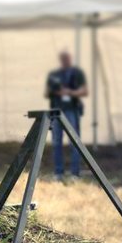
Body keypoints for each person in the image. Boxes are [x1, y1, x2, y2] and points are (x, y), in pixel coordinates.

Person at [45, 50, 88, 179]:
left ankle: (75, 172)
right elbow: (47, 93)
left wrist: (70, 92)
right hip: (56, 111)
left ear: (70, 59)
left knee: (74, 142)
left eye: (67, 58)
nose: (65, 61)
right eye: (63, 59)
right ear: (60, 60)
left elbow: (84, 91)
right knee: (56, 142)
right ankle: (58, 172)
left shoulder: (77, 73)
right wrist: (57, 92)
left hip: (71, 110)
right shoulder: (53, 74)